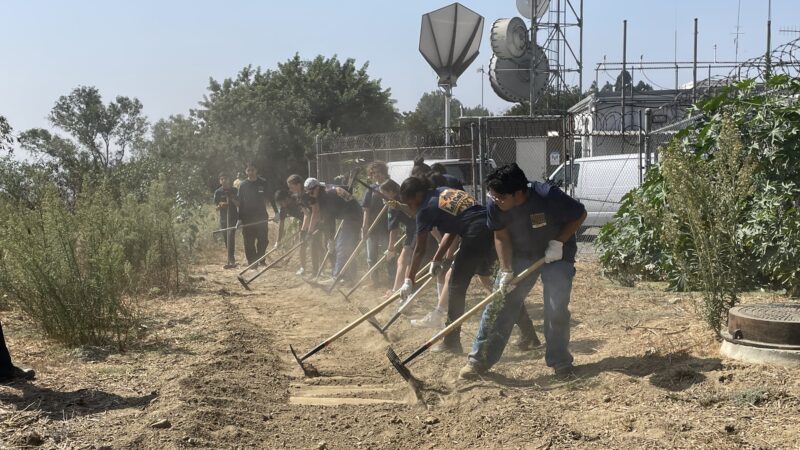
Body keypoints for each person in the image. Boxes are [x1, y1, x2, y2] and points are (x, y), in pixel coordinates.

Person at [460, 163, 586, 380]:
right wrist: (506, 270)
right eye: (493, 196)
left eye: (500, 197)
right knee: (500, 303)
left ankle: (560, 361)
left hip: (556, 254)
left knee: (556, 305)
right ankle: (479, 360)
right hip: (521, 254)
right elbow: (500, 236)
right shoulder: (495, 204)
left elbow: (579, 214)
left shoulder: (547, 195)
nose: (495, 200)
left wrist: (558, 243)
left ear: (518, 193)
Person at [398, 177, 496, 354]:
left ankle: (451, 342)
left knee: (456, 286)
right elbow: (453, 227)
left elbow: (419, 249)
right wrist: (437, 258)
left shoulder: (426, 209)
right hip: (490, 226)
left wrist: (409, 279)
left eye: (409, 202)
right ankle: (529, 336)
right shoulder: (443, 191)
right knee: (495, 284)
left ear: (418, 194)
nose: (410, 206)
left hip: (475, 232)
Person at [304, 177, 362, 283]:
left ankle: (336, 277)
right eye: (308, 192)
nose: (310, 194)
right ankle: (349, 277)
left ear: (317, 188)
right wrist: (311, 231)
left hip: (354, 216)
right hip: (349, 215)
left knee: (342, 246)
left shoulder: (326, 197)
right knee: (346, 247)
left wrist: (331, 239)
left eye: (311, 192)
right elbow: (323, 216)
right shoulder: (327, 191)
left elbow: (330, 220)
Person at [233, 162, 273, 266]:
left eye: (252, 170)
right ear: (246, 172)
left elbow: (271, 198)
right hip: (247, 218)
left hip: (261, 216)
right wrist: (239, 219)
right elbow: (240, 203)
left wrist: (276, 212)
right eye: (248, 170)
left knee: (263, 240)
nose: (250, 172)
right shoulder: (243, 185)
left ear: (256, 170)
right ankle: (252, 262)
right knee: (249, 242)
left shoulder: (263, 183)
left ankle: (261, 258)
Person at [362, 161, 392, 287]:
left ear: (384, 172)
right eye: (373, 173)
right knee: (371, 256)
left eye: (379, 172)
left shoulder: (392, 186)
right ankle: (375, 281)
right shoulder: (371, 189)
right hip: (373, 227)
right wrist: (364, 226)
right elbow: (366, 209)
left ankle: (392, 280)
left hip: (388, 226)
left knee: (389, 254)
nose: (376, 175)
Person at [287, 174, 322, 276]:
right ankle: (303, 268)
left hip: (319, 221)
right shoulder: (298, 197)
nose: (290, 189)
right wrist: (303, 231)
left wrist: (310, 231)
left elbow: (315, 213)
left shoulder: (308, 195)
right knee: (302, 244)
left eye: (291, 186)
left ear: (298, 185)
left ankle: (317, 270)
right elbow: (306, 214)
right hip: (310, 220)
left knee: (315, 246)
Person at [214, 173, 238, 269]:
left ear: (229, 180)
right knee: (226, 238)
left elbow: (238, 203)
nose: (224, 180)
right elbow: (216, 207)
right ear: (220, 181)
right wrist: (221, 205)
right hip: (224, 218)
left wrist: (231, 198)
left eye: (226, 178)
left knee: (231, 236)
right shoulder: (218, 192)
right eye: (222, 179)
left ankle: (231, 258)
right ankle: (230, 257)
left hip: (233, 217)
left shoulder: (235, 190)